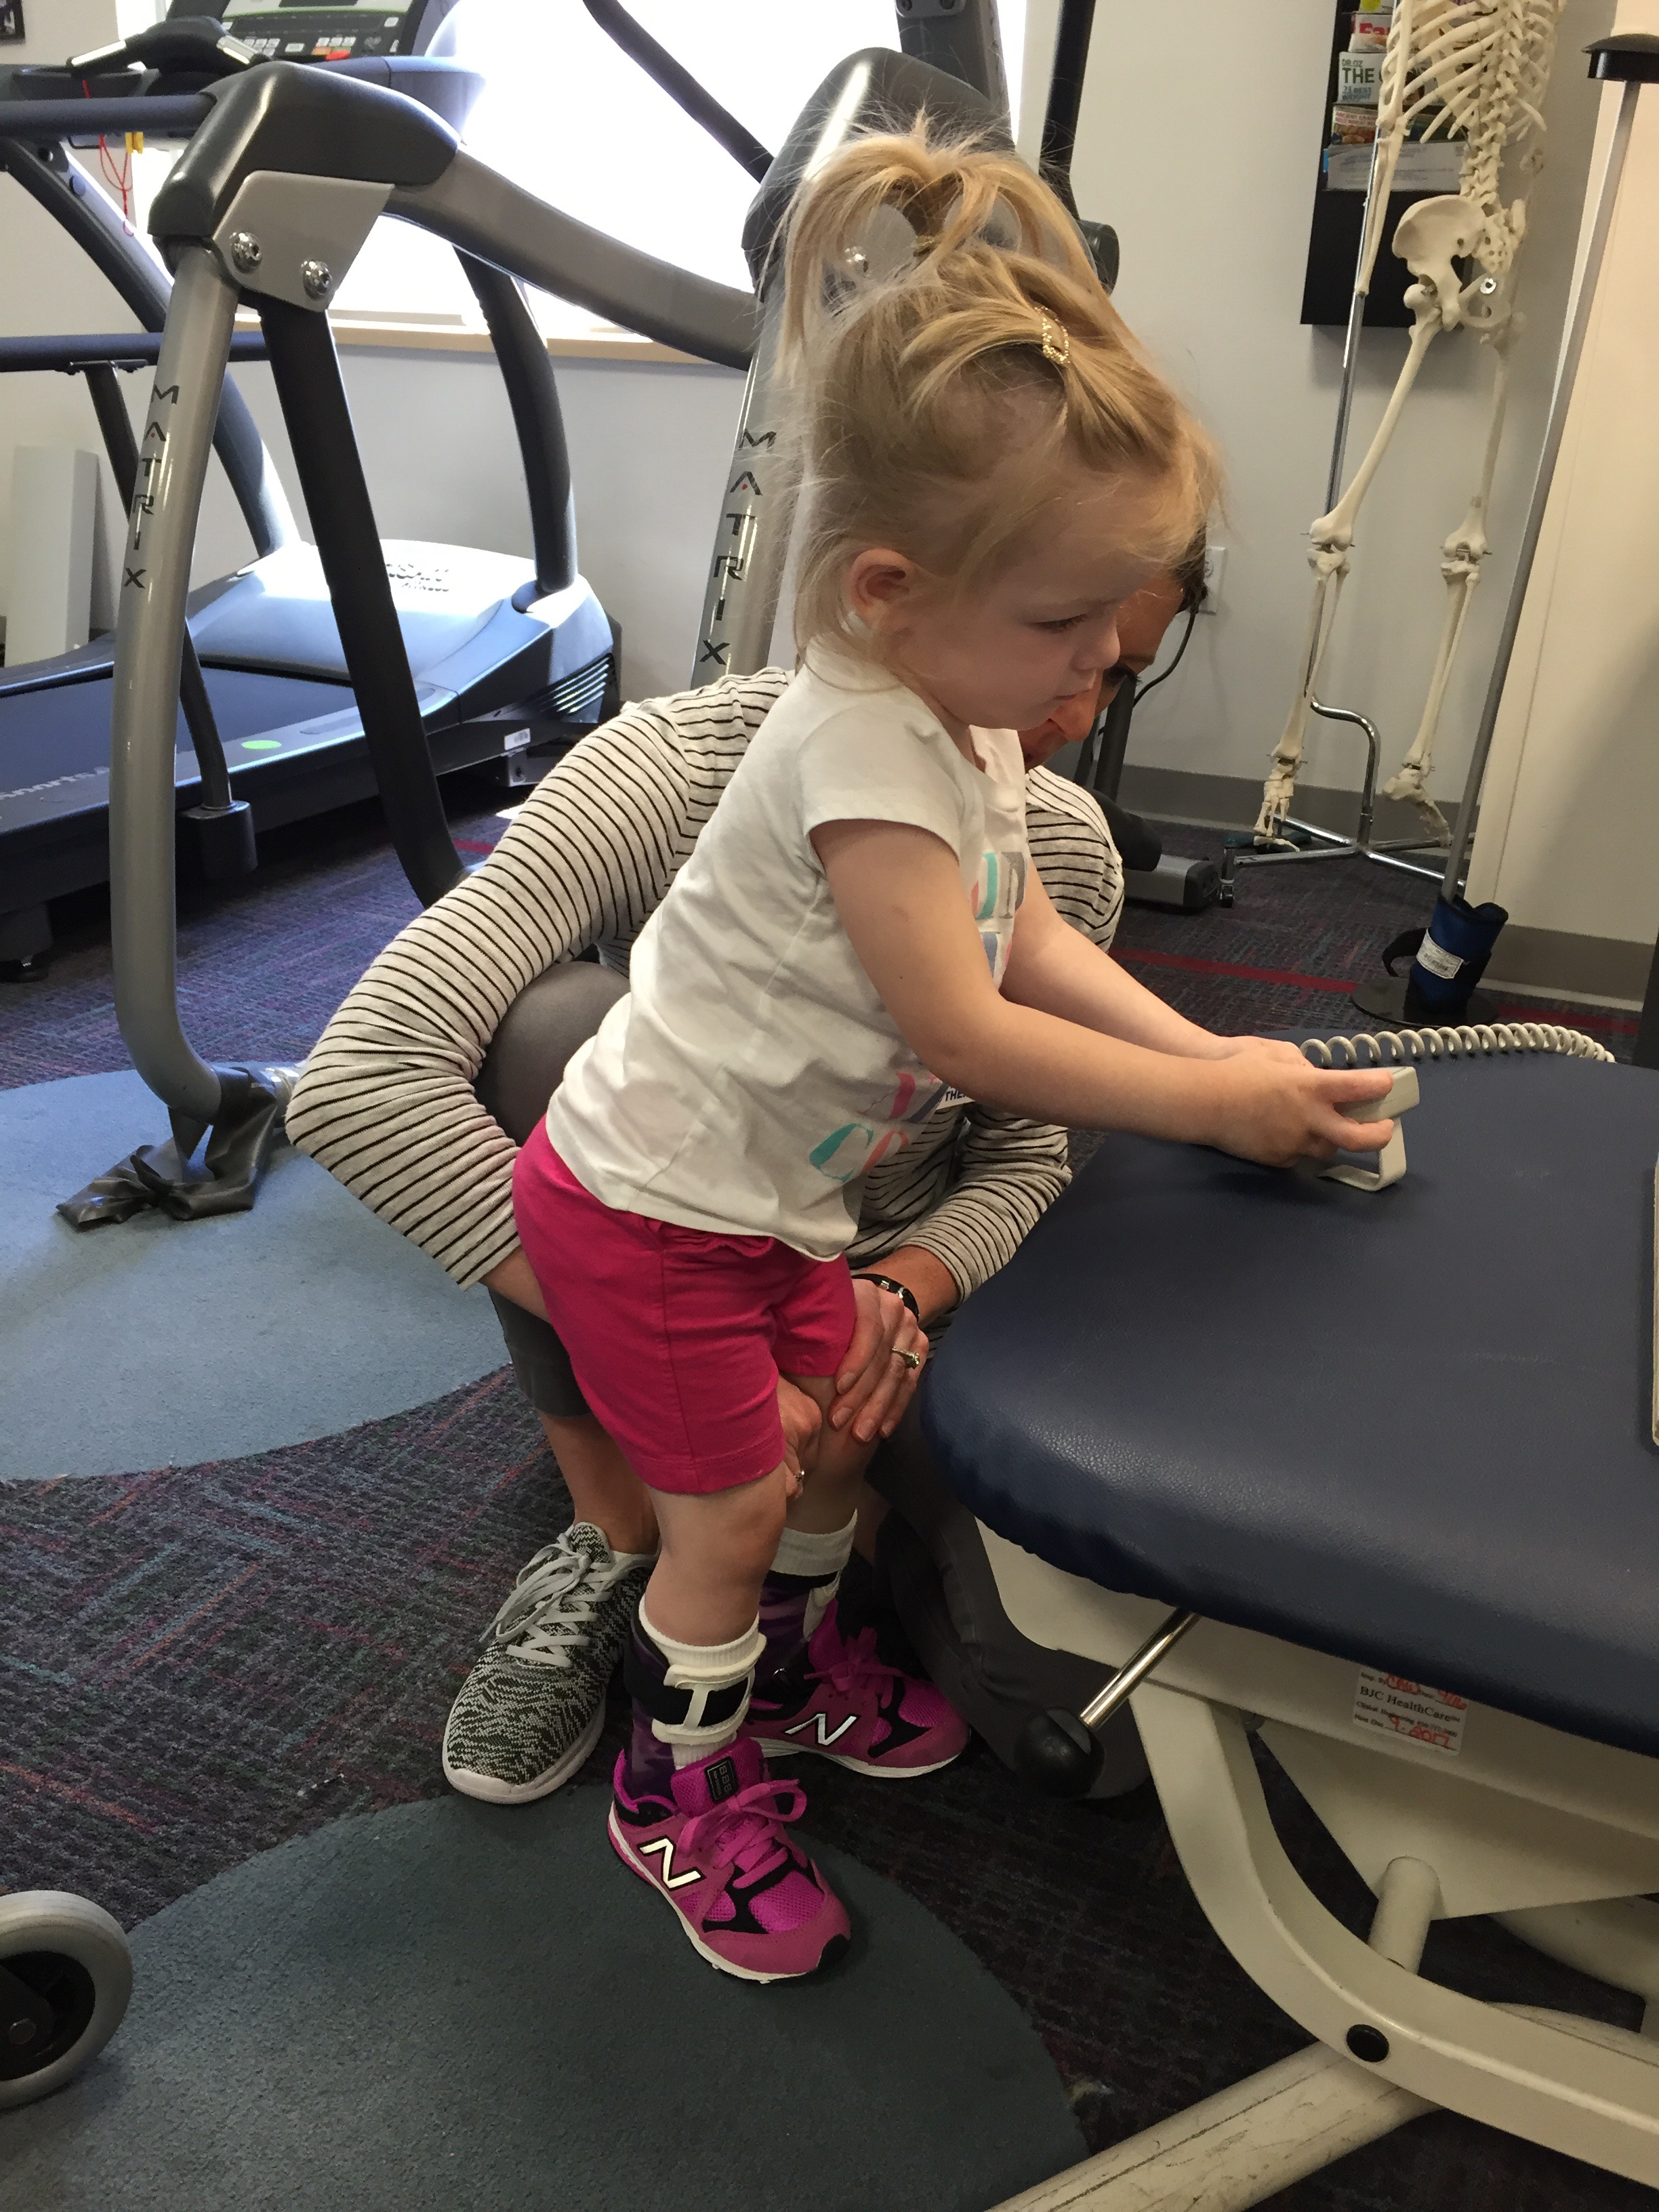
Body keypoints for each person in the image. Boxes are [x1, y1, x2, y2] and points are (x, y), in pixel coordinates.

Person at [481, 131, 1393, 1982]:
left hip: (770, 1210)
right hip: (651, 1214)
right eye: (1063, 624)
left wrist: (1217, 1053)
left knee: (840, 1443)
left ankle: (798, 1674)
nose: (1095, 669)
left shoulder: (965, 725)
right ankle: (678, 1792)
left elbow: (1030, 935)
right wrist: (1215, 1107)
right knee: (732, 1511)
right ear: (889, 587)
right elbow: (963, 1026)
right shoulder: (859, 750)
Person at [288, 543, 1201, 1828]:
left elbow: (1028, 1148)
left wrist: (906, 1290)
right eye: (1058, 626)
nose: (1078, 702)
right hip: (665, 1253)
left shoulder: (1048, 828)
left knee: (1091, 1730)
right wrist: (690, 1344)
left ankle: (799, 1596)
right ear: (899, 584)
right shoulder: (670, 766)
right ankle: (617, 1537)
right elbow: (358, 1081)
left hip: (870, 1279)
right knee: (554, 1030)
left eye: (1119, 665)